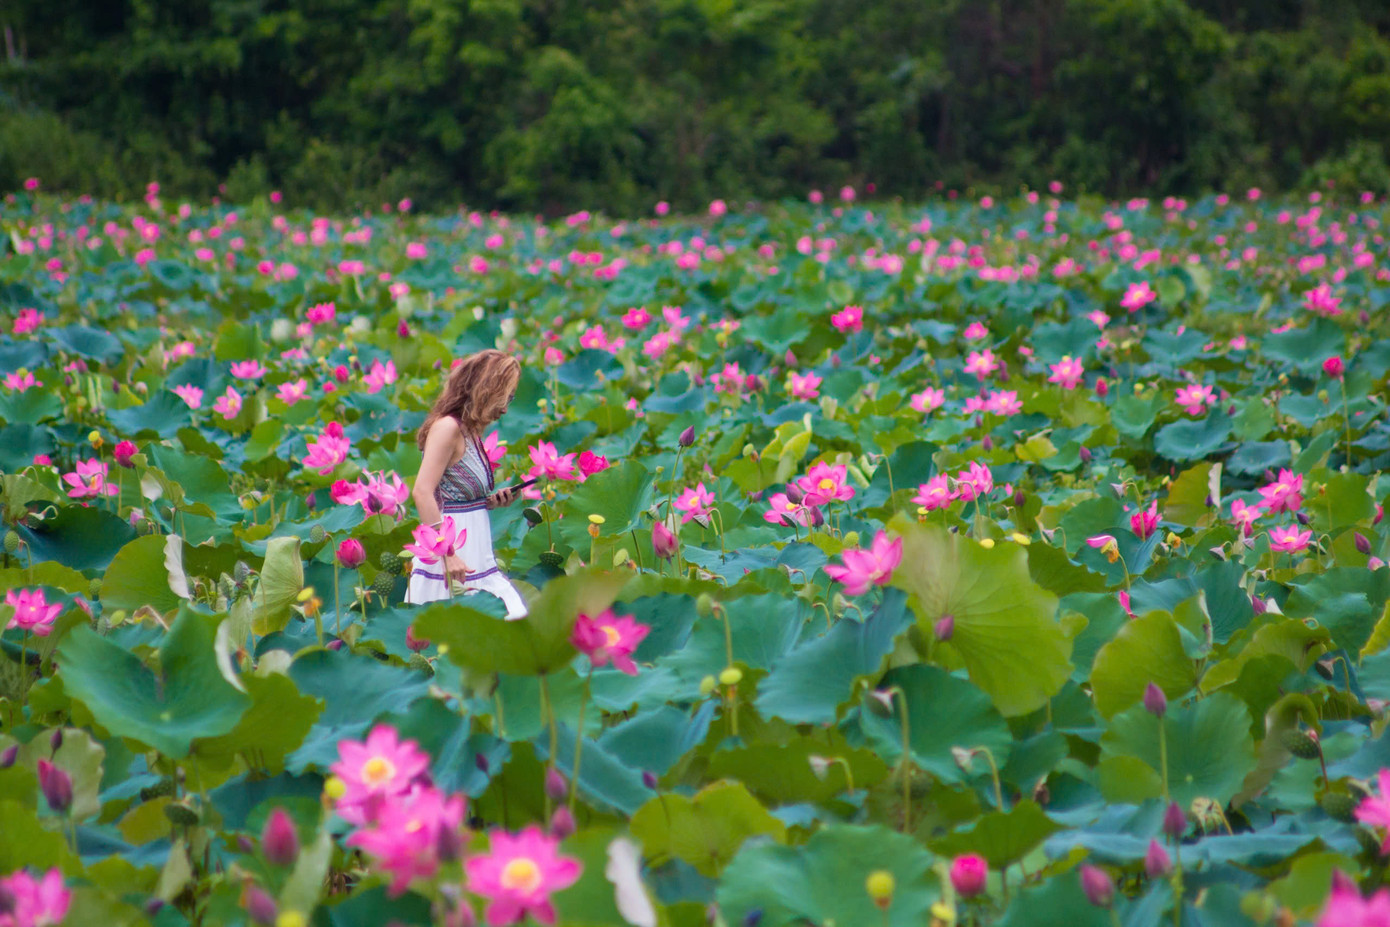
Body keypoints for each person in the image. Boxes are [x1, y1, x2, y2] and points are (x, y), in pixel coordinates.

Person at [406, 349, 528, 618]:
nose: (506, 408)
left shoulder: (470, 429)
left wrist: (491, 501)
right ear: (486, 389)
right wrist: (447, 553)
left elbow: (455, 494)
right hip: (450, 553)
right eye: (504, 397)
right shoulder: (447, 428)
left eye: (511, 398)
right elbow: (422, 492)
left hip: (477, 551)